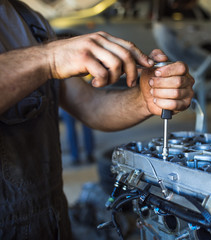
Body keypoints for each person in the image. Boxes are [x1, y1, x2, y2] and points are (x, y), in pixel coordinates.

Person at [0, 0, 194, 239]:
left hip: (51, 222)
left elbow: (91, 106)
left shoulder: (30, 21)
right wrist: (48, 59)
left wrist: (146, 99)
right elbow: (49, 61)